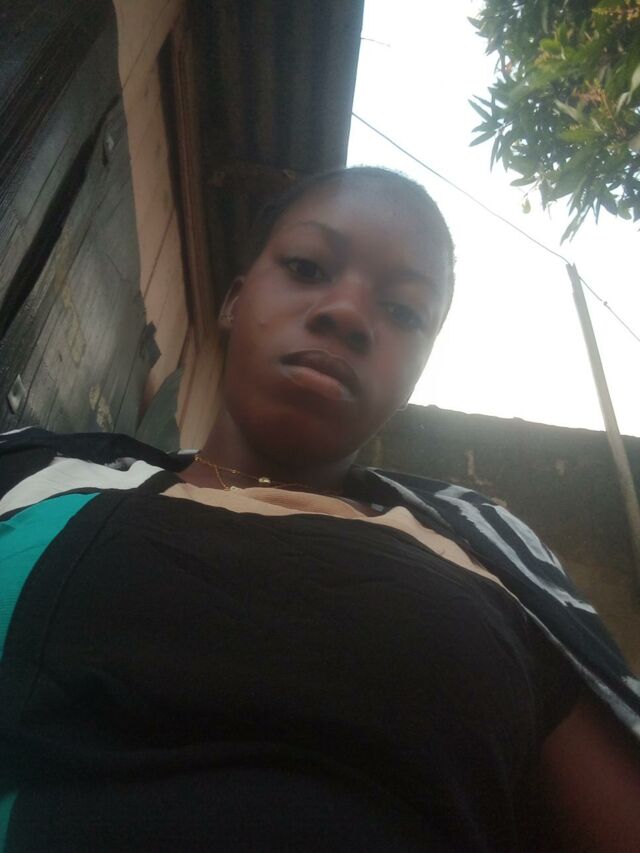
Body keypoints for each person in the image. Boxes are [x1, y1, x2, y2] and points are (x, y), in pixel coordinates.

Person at [1, 166, 639, 852]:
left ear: (418, 370)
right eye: (307, 267)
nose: (348, 314)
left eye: (403, 311)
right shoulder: (36, 472)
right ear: (234, 300)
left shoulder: (484, 546)